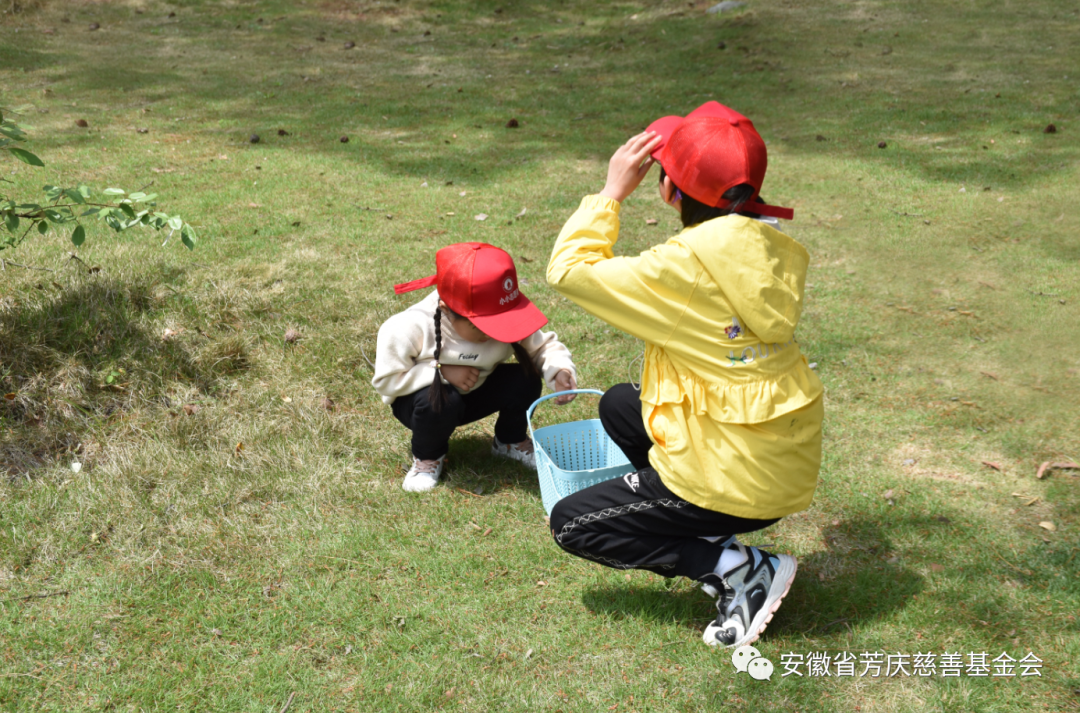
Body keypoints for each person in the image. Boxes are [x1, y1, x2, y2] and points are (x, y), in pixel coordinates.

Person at [544, 101, 823, 648]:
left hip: (733, 482)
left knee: (572, 524)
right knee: (620, 404)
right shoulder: (768, 249)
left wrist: (610, 193)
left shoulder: (683, 268)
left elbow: (568, 270)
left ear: (671, 191)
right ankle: (707, 529)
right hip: (779, 462)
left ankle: (738, 569)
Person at [374, 242, 578, 492]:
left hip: (475, 392)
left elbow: (542, 346)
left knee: (525, 377)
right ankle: (427, 457)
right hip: (424, 404)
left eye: (499, 323)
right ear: (446, 310)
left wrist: (560, 370)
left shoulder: (501, 310)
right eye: (480, 327)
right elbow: (387, 381)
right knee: (440, 402)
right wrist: (440, 371)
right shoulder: (407, 327)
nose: (491, 334)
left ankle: (509, 441)